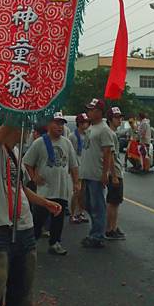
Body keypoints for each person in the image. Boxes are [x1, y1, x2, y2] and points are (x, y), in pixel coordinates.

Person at [0, 124, 61, 306]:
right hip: (0, 230)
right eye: (26, 126)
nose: (30, 131)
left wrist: (45, 203)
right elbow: (7, 125)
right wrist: (20, 104)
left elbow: (19, 187)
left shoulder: (16, 153)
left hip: (25, 230)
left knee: (22, 294)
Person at [24, 114, 79, 256]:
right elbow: (27, 162)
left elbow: (73, 165)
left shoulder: (66, 143)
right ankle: (31, 243)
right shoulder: (40, 142)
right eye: (56, 123)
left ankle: (55, 243)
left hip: (61, 188)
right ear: (48, 124)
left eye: (62, 124)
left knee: (58, 219)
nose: (60, 127)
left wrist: (76, 182)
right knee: (38, 218)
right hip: (44, 191)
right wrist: (33, 177)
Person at [79, 98, 114, 249]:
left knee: (97, 205)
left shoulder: (104, 129)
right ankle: (95, 231)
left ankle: (97, 235)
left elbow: (107, 153)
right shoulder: (92, 128)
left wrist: (105, 173)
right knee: (87, 204)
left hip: (96, 174)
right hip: (87, 173)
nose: (88, 112)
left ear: (99, 112)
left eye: (91, 110)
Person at [104, 107, 126, 240]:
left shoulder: (113, 133)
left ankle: (113, 227)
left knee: (116, 202)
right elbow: (110, 155)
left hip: (117, 171)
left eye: (120, 117)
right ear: (110, 119)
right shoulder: (110, 134)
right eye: (117, 118)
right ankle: (109, 229)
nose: (120, 120)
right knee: (112, 202)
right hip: (115, 173)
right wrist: (114, 175)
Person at [68, 113, 90, 224]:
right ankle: (72, 214)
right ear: (79, 123)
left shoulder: (88, 135)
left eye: (86, 122)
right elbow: (70, 153)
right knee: (76, 190)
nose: (86, 124)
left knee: (83, 192)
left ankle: (80, 212)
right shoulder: (72, 136)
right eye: (84, 122)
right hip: (76, 165)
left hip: (85, 165)